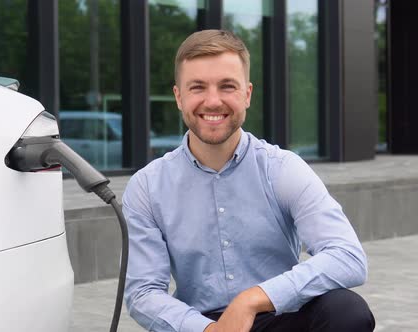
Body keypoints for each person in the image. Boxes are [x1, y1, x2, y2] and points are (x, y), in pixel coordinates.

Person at [122, 29, 375, 332]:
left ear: (247, 94)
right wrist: (208, 330)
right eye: (197, 87)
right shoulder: (147, 187)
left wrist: (253, 299)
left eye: (227, 86)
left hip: (279, 315)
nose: (212, 101)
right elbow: (143, 293)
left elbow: (348, 257)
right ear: (179, 97)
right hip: (199, 324)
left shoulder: (282, 169)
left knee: (347, 311)